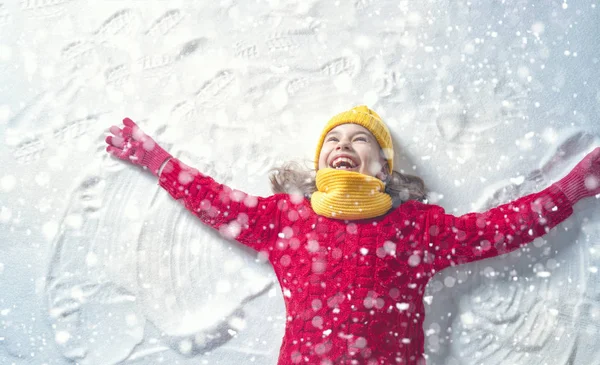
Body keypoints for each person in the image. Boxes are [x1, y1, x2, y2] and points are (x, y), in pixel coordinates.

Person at [105, 105, 600, 365]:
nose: (343, 146)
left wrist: (574, 187)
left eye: (359, 139)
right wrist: (157, 160)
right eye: (333, 141)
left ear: (383, 167)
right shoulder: (286, 220)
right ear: (319, 163)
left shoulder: (415, 229)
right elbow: (213, 201)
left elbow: (499, 229)